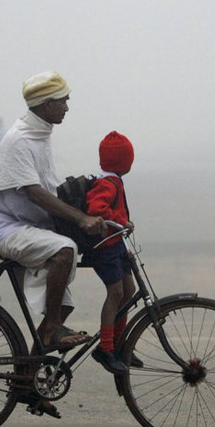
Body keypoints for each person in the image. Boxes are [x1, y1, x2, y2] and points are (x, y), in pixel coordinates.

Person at [0, 71, 106, 354]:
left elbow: (49, 187)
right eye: (63, 101)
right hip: (4, 229)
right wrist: (80, 218)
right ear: (47, 104)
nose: (67, 107)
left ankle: (29, 376)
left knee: (63, 306)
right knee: (65, 251)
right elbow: (34, 192)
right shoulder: (20, 139)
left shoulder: (39, 133)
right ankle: (51, 330)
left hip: (24, 225)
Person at [82, 132, 138, 374]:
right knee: (115, 293)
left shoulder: (113, 180)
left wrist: (122, 223)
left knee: (129, 291)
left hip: (115, 245)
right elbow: (97, 208)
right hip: (104, 249)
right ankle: (105, 347)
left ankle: (118, 341)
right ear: (126, 162)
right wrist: (121, 222)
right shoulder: (108, 183)